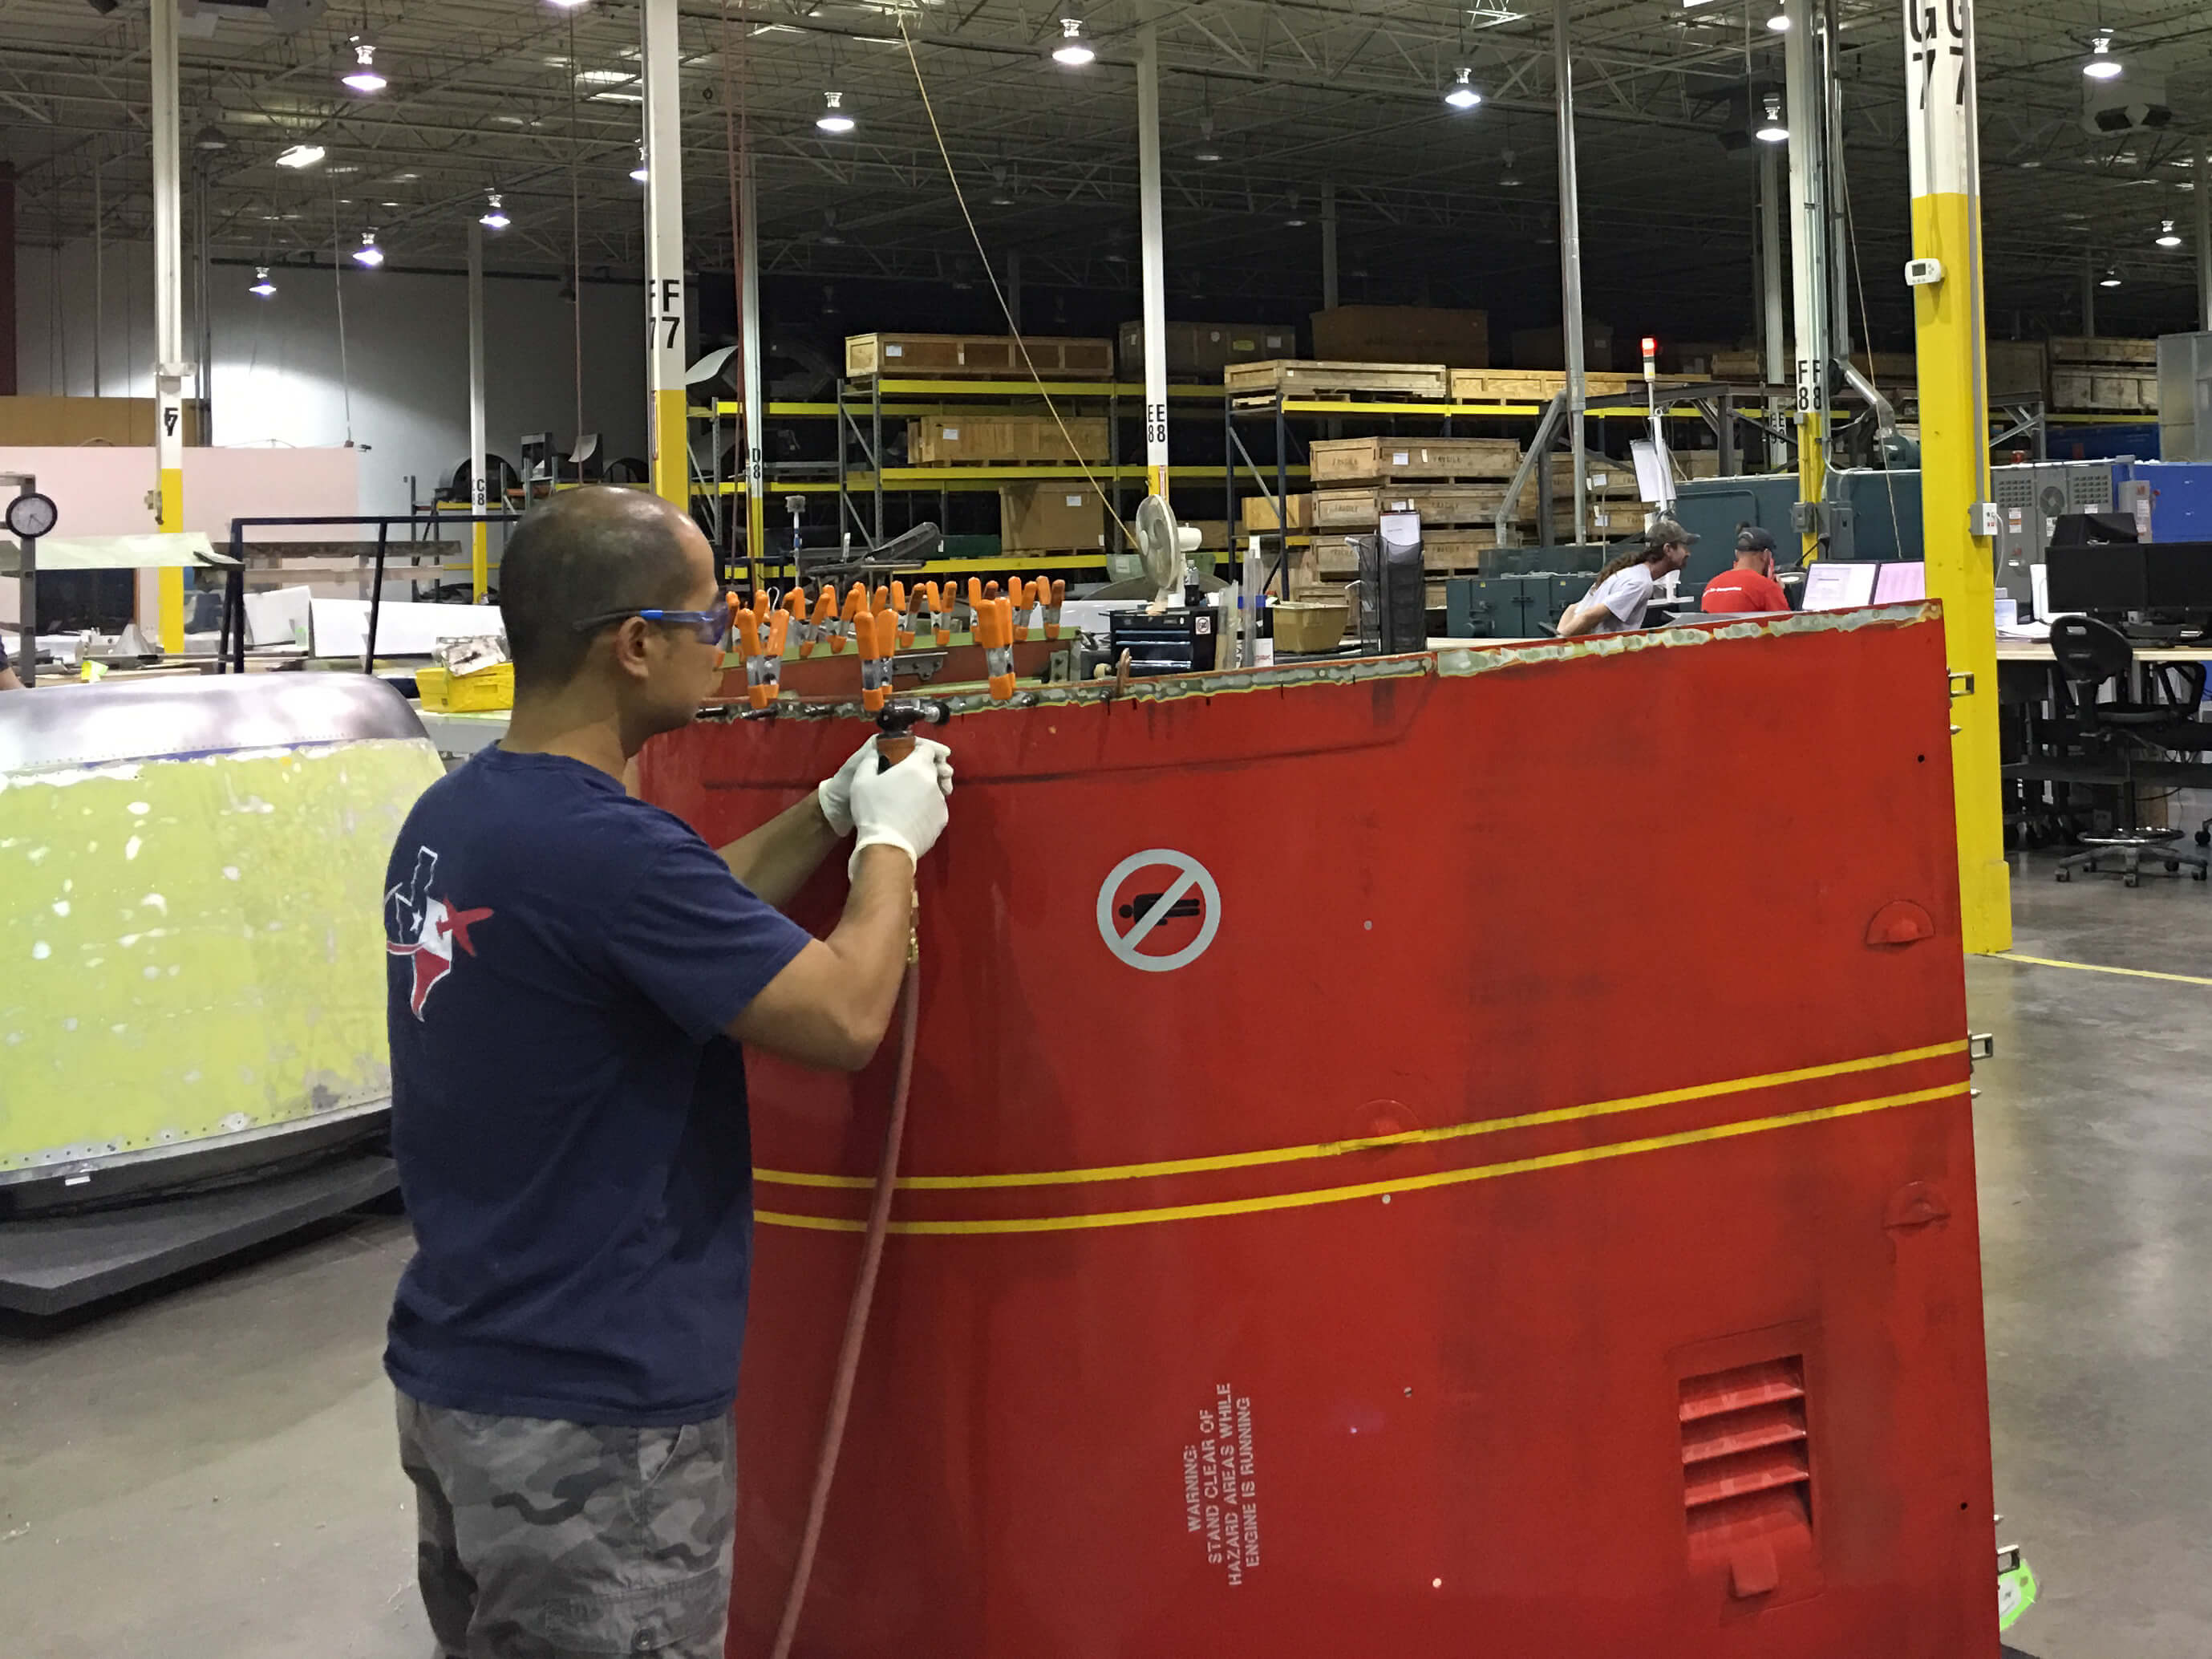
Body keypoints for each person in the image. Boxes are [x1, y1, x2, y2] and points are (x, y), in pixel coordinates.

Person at [382, 486, 954, 1659]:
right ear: (634, 646)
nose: (728, 642)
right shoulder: (607, 849)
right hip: (593, 1420)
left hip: (464, 1375)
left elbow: (665, 923)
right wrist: (894, 843)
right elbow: (844, 1017)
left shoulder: (458, 815)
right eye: (710, 620)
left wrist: (829, 809)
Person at [1555, 518, 1698, 638]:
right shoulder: (1640, 583)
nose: (1689, 553)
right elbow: (1589, 616)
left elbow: (1574, 609)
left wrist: (1558, 637)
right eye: (1684, 547)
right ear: (1668, 550)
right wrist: (1557, 644)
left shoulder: (1627, 573)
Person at [1700, 526, 1792, 614]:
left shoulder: (1711, 586)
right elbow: (1786, 626)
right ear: (1765, 555)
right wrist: (1779, 593)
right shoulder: (1766, 587)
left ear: (1737, 554)